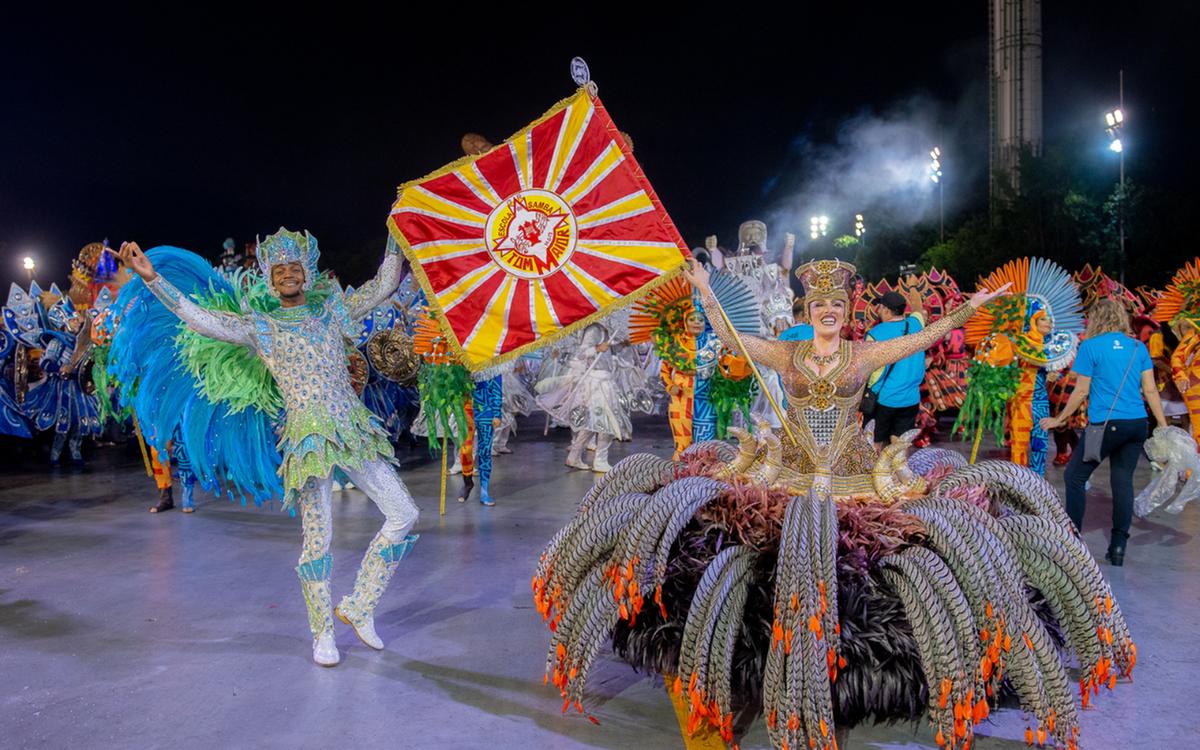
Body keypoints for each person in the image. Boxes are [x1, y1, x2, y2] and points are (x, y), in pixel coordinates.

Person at [119, 229, 420, 667]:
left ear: (306, 273)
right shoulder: (262, 327)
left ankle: (360, 605)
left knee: (405, 513)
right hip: (308, 441)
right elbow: (201, 320)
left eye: (294, 268)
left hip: (353, 430)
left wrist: (396, 231)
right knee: (319, 540)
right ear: (270, 279)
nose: (287, 276)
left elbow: (386, 283)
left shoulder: (331, 312)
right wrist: (152, 280)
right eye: (278, 271)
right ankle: (322, 634)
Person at [1041, 298, 1168, 566]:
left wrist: (1059, 418)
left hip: (1103, 426)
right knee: (1122, 481)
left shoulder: (1090, 347)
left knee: (1075, 476)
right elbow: (1150, 390)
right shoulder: (1137, 348)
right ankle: (1119, 545)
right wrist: (1163, 425)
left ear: (1096, 319)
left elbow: (1081, 390)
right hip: (1137, 424)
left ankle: (1072, 541)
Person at [863, 290, 926, 447]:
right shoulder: (916, 324)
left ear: (885, 310)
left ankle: (879, 472)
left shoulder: (875, 334)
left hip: (884, 399)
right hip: (911, 399)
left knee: (875, 443)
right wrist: (913, 286)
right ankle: (898, 472)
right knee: (899, 446)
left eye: (880, 307)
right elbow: (918, 307)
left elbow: (870, 370)